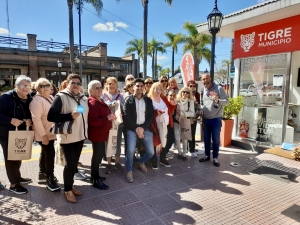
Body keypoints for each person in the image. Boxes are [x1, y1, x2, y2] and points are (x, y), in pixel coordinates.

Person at [48, 74, 89, 203]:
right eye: (73, 83)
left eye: (78, 83)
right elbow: (51, 117)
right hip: (68, 137)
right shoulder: (61, 97)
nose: (76, 85)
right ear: (67, 83)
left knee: (74, 165)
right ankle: (67, 190)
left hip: (80, 136)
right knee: (70, 165)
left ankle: (70, 186)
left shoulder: (83, 98)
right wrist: (70, 116)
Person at [0, 75, 33, 194]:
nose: (25, 88)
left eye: (27, 86)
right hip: (7, 133)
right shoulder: (6, 98)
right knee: (11, 158)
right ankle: (14, 184)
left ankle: (17, 177)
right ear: (15, 86)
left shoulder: (30, 97)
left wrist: (30, 120)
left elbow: (31, 112)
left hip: (22, 133)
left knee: (19, 155)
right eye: (22, 85)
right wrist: (10, 120)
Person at [29, 78, 60, 192]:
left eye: (48, 85)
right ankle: (50, 179)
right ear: (38, 88)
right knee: (50, 155)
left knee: (45, 153)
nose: (46, 87)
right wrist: (43, 136)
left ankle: (42, 174)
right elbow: (36, 120)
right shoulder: (36, 101)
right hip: (44, 134)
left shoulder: (50, 97)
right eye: (43, 86)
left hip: (51, 133)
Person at [123, 78, 154, 183]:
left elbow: (151, 116)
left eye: (141, 86)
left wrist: (142, 128)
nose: (139, 88)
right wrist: (136, 128)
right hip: (132, 129)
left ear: (144, 87)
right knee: (130, 151)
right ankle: (129, 171)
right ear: (133, 87)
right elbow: (126, 117)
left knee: (151, 152)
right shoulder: (128, 100)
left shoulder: (148, 100)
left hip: (145, 128)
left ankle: (141, 162)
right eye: (137, 86)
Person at [199, 73, 228, 167]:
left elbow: (227, 102)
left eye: (206, 79)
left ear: (210, 79)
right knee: (206, 139)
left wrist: (218, 100)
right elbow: (202, 103)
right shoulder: (203, 90)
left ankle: (215, 158)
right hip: (206, 119)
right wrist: (201, 110)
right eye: (203, 79)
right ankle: (207, 155)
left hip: (216, 119)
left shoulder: (219, 88)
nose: (205, 81)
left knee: (215, 140)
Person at [87, 80, 112, 190]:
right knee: (97, 156)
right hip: (97, 134)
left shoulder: (98, 100)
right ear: (91, 90)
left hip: (101, 133)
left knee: (98, 155)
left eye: (100, 87)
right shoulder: (93, 102)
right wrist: (107, 118)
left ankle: (95, 176)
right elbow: (93, 121)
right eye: (96, 88)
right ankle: (95, 179)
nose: (100, 89)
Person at [148, 82, 176, 168]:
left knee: (167, 141)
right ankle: (154, 161)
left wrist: (173, 105)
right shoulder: (149, 99)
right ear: (153, 89)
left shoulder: (164, 98)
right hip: (154, 126)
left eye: (160, 89)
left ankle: (162, 158)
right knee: (154, 143)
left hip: (166, 124)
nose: (158, 90)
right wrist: (156, 112)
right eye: (156, 88)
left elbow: (170, 111)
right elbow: (148, 113)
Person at [101, 77, 124, 174]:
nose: (111, 85)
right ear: (106, 84)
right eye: (109, 83)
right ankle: (109, 164)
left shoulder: (120, 96)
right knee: (108, 143)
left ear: (116, 85)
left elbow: (124, 107)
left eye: (113, 83)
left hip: (118, 123)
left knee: (118, 143)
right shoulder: (103, 95)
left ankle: (117, 163)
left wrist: (120, 110)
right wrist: (108, 106)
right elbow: (101, 108)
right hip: (108, 123)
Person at [174, 87, 195, 161]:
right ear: (181, 92)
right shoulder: (177, 100)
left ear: (189, 94)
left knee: (184, 138)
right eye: (184, 92)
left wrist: (183, 113)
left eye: (187, 92)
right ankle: (179, 152)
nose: (185, 94)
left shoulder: (190, 101)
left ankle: (184, 154)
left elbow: (192, 113)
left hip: (185, 121)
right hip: (176, 121)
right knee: (177, 138)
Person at [187, 80, 201, 158]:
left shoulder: (197, 94)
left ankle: (192, 149)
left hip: (194, 117)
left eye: (194, 86)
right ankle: (186, 149)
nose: (192, 87)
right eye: (191, 86)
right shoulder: (185, 93)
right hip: (186, 117)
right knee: (186, 133)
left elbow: (199, 105)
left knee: (192, 133)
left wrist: (198, 113)